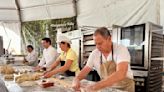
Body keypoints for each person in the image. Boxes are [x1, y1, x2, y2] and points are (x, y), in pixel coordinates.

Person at [72, 27, 134, 92]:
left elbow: (121, 73)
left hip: (124, 88)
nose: (97, 47)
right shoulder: (95, 53)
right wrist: (76, 79)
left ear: (109, 39)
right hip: (107, 88)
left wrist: (96, 86)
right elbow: (86, 69)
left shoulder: (120, 49)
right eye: (96, 44)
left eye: (100, 43)